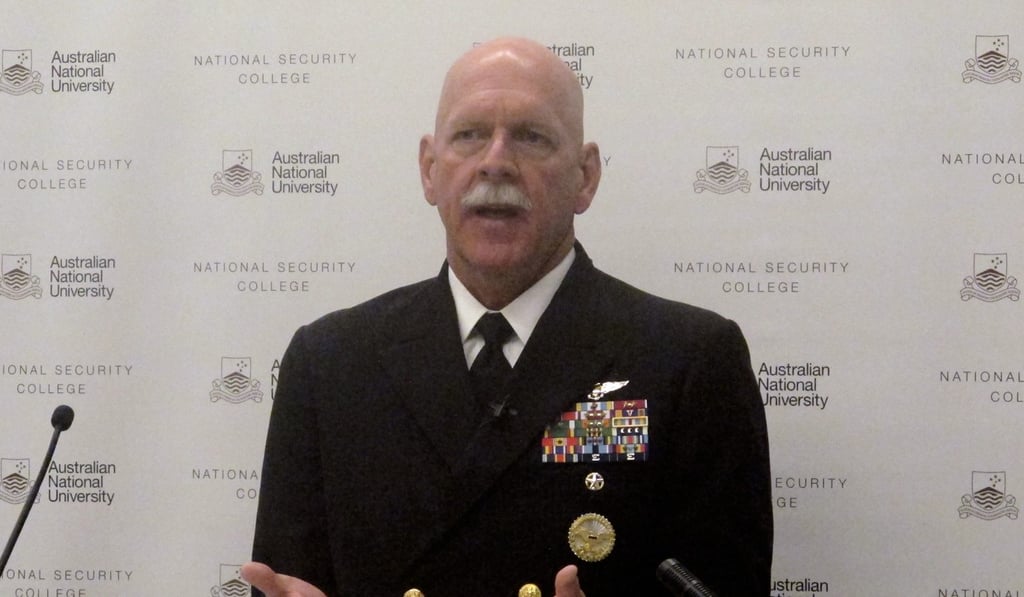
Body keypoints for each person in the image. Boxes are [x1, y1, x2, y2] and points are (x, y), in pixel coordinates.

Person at [244, 37, 772, 597]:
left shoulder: (689, 361)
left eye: (532, 136)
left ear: (585, 176)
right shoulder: (329, 365)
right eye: (469, 135)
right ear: (429, 169)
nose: (495, 162)